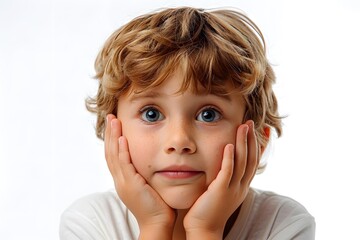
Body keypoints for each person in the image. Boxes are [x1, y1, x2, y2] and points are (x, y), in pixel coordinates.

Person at [60, 7, 315, 240]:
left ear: (257, 141)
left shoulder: (283, 224)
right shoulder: (90, 223)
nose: (179, 141)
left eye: (208, 115)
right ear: (112, 133)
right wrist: (154, 226)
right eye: (151, 114)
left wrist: (205, 230)